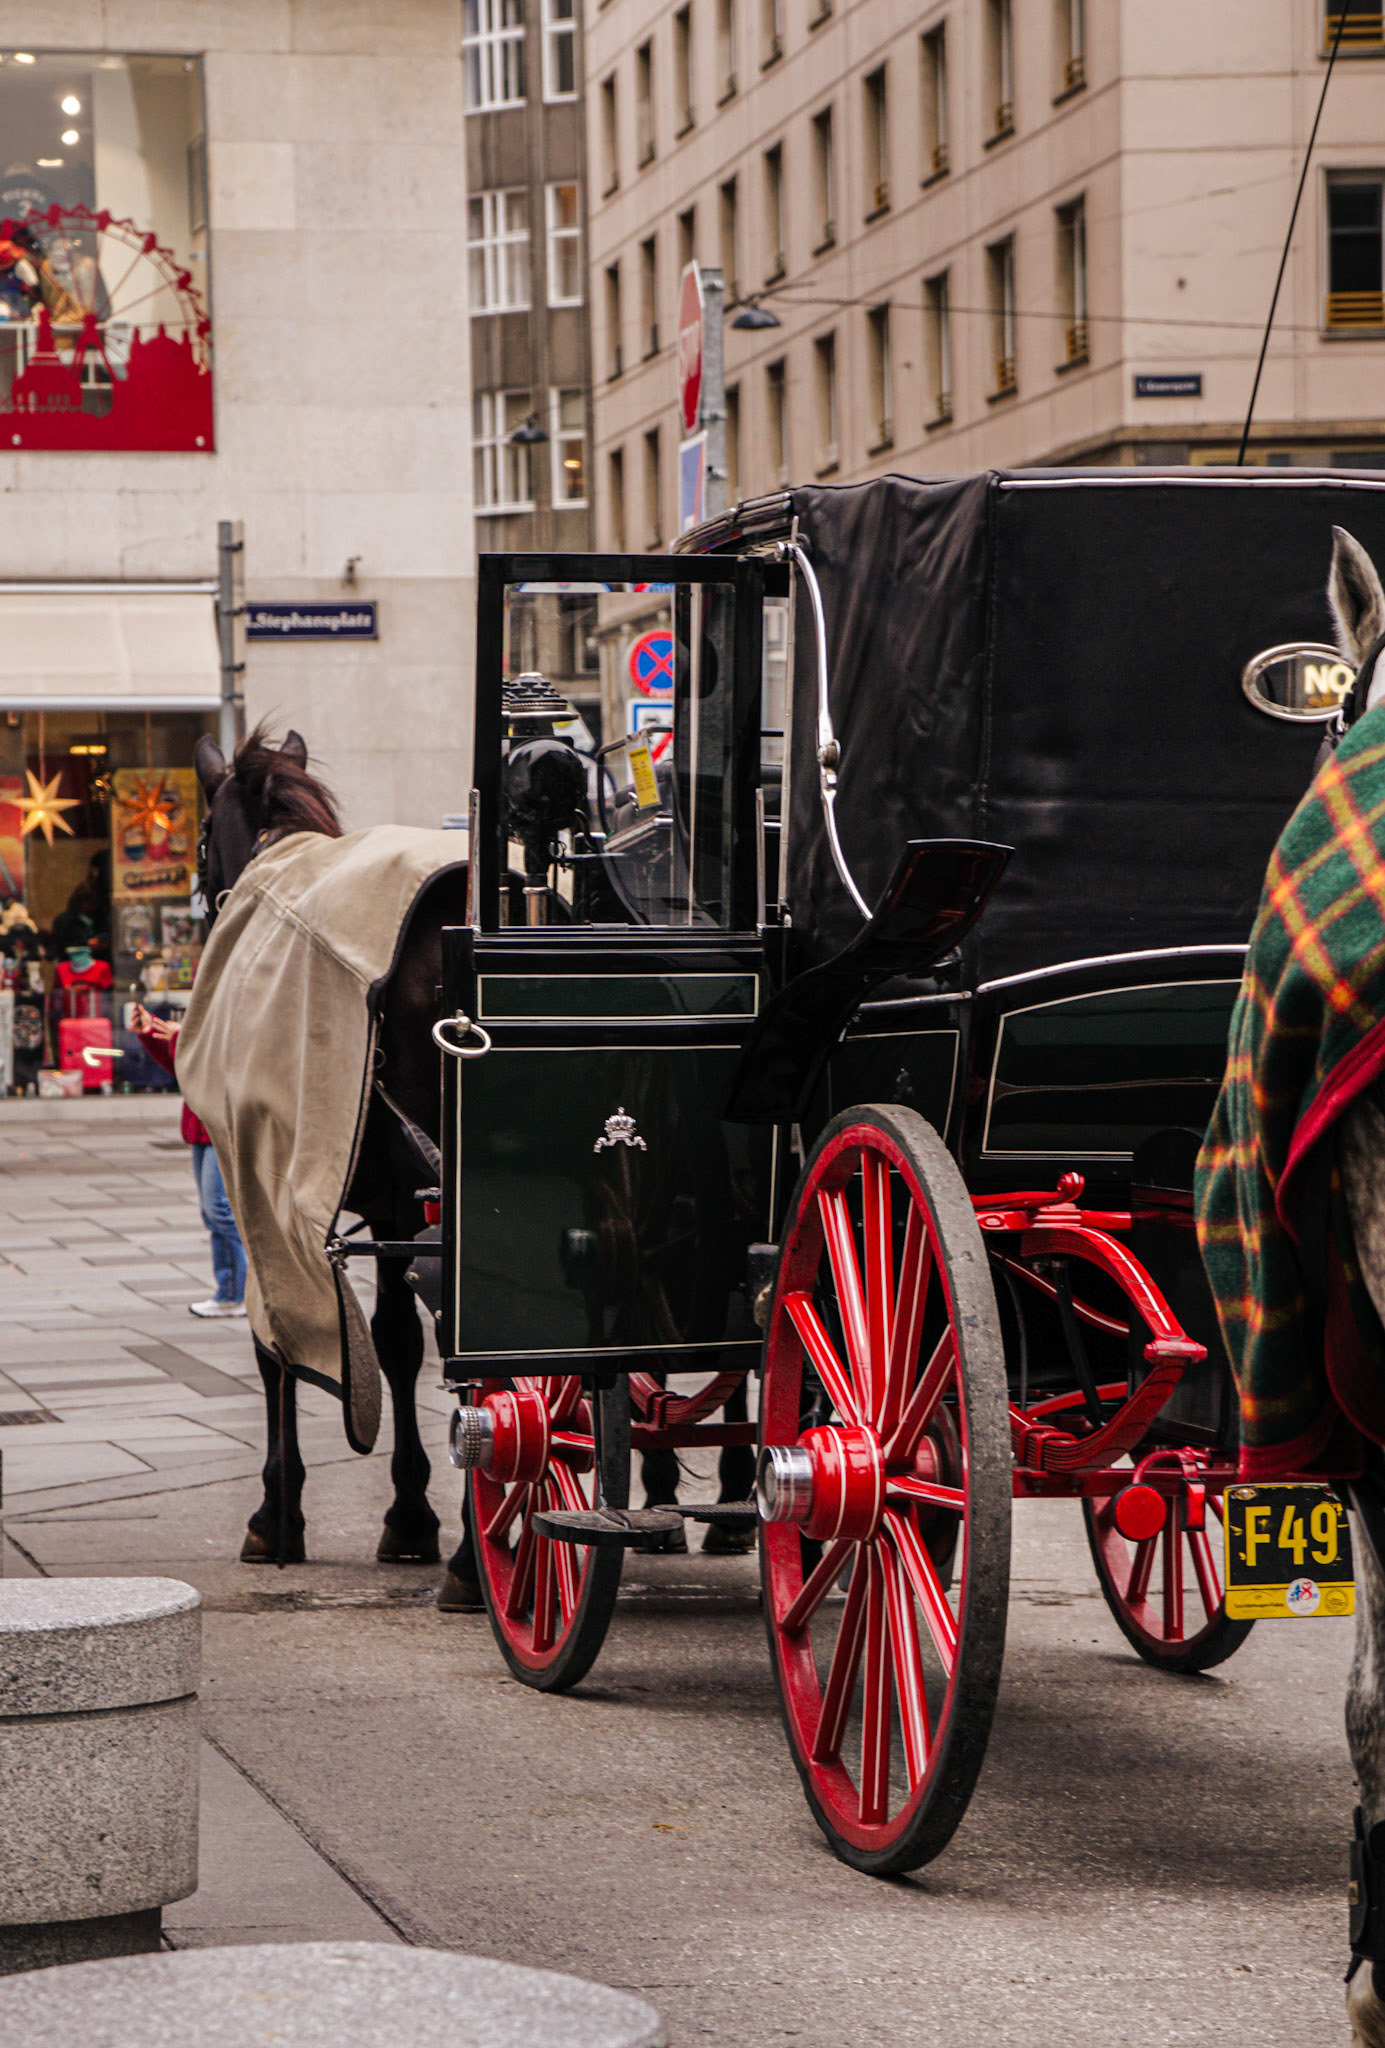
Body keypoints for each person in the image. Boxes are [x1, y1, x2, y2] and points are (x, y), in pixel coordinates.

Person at [132, 1000, 247, 1319]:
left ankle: (249, 1287)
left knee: (219, 1210)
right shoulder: (212, 1007)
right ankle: (231, 1292)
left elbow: (224, 1062)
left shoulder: (234, 1010)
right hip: (202, 1127)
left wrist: (184, 1037)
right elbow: (183, 1068)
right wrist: (153, 1035)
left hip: (221, 1127)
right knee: (213, 1214)